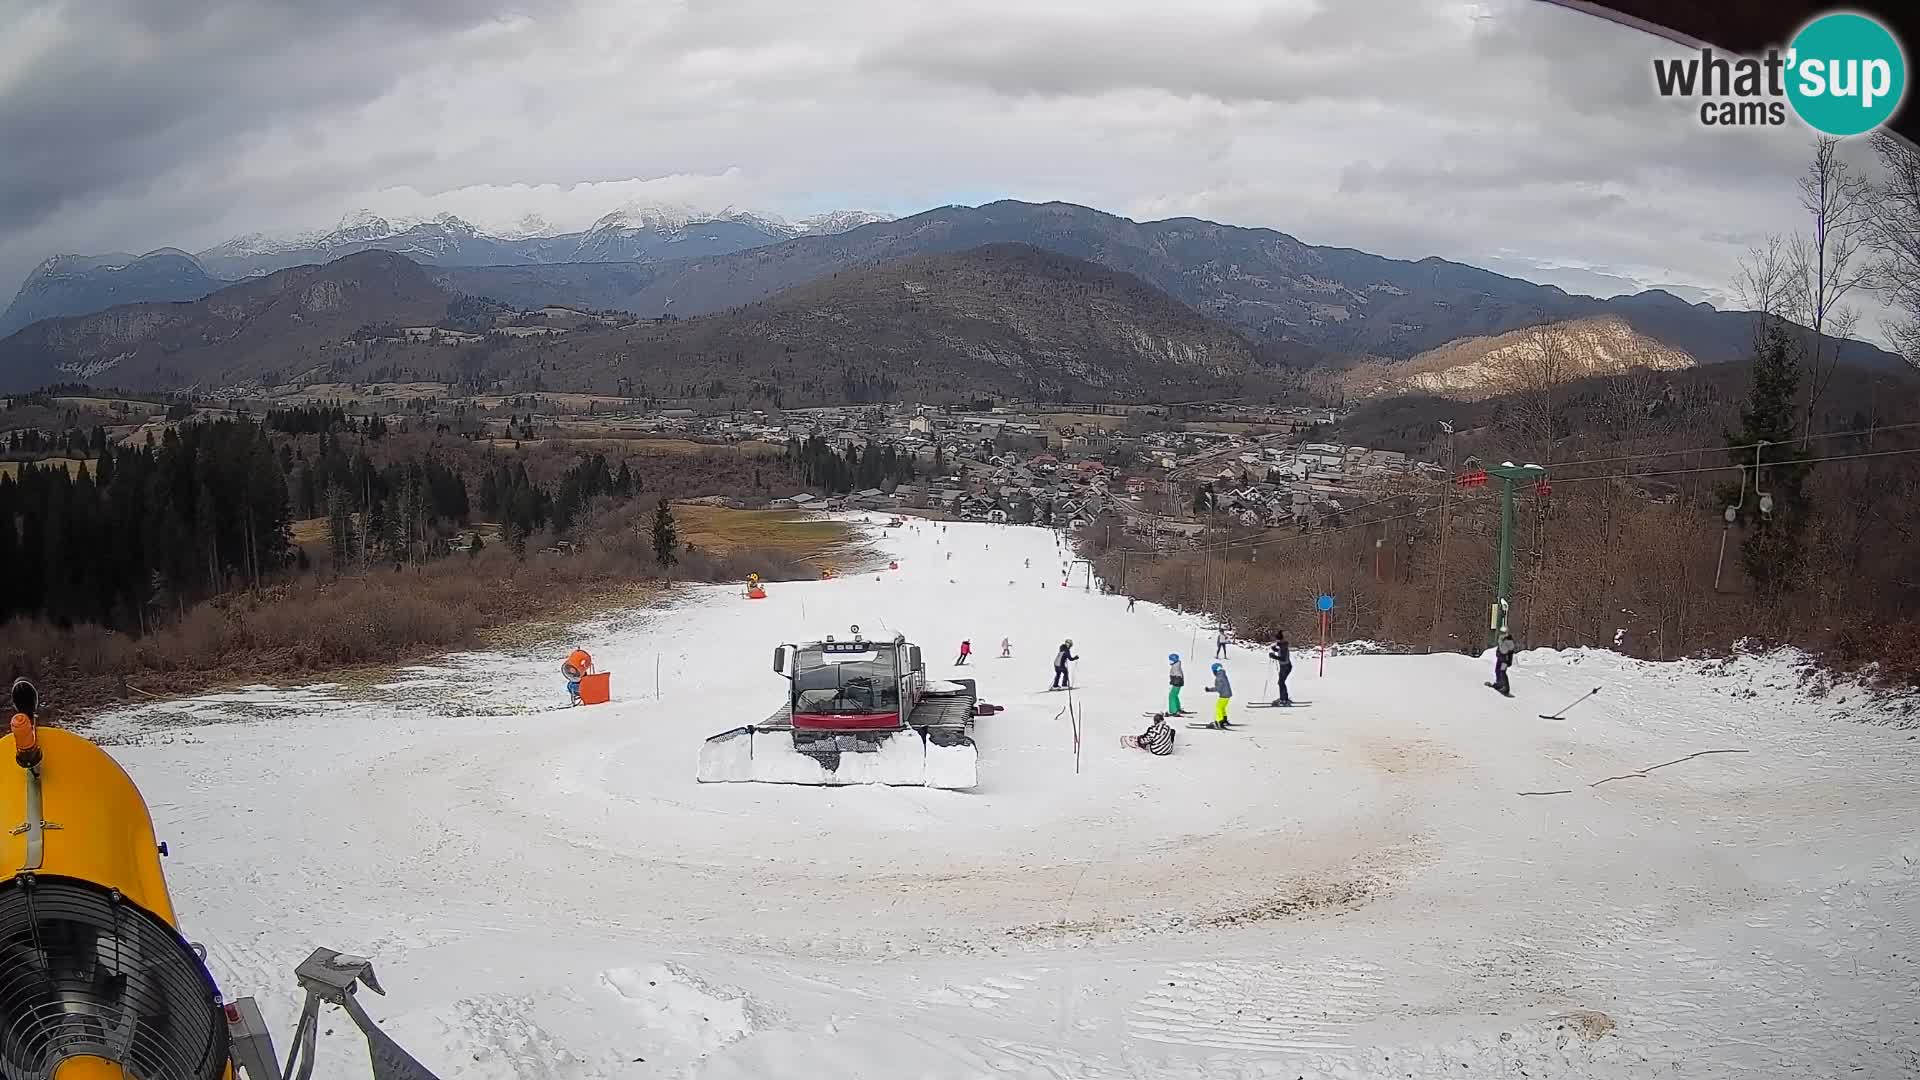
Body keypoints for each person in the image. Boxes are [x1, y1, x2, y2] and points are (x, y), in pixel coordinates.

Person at [1267, 631, 1293, 706]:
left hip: (1286, 667)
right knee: (1281, 682)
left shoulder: (1283, 646)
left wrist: (1273, 656)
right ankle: (1284, 698)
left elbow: (1283, 658)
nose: (1276, 641)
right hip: (1284, 667)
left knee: (1281, 682)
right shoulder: (1282, 645)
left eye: (1277, 640)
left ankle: (1283, 700)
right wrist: (1274, 649)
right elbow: (1279, 651)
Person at [1207, 662, 1233, 728]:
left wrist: (1209, 689)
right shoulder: (1222, 675)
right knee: (1222, 707)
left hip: (1224, 695)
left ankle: (1218, 722)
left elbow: (1218, 688)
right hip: (1227, 694)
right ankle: (1224, 719)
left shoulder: (1219, 677)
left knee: (1218, 707)